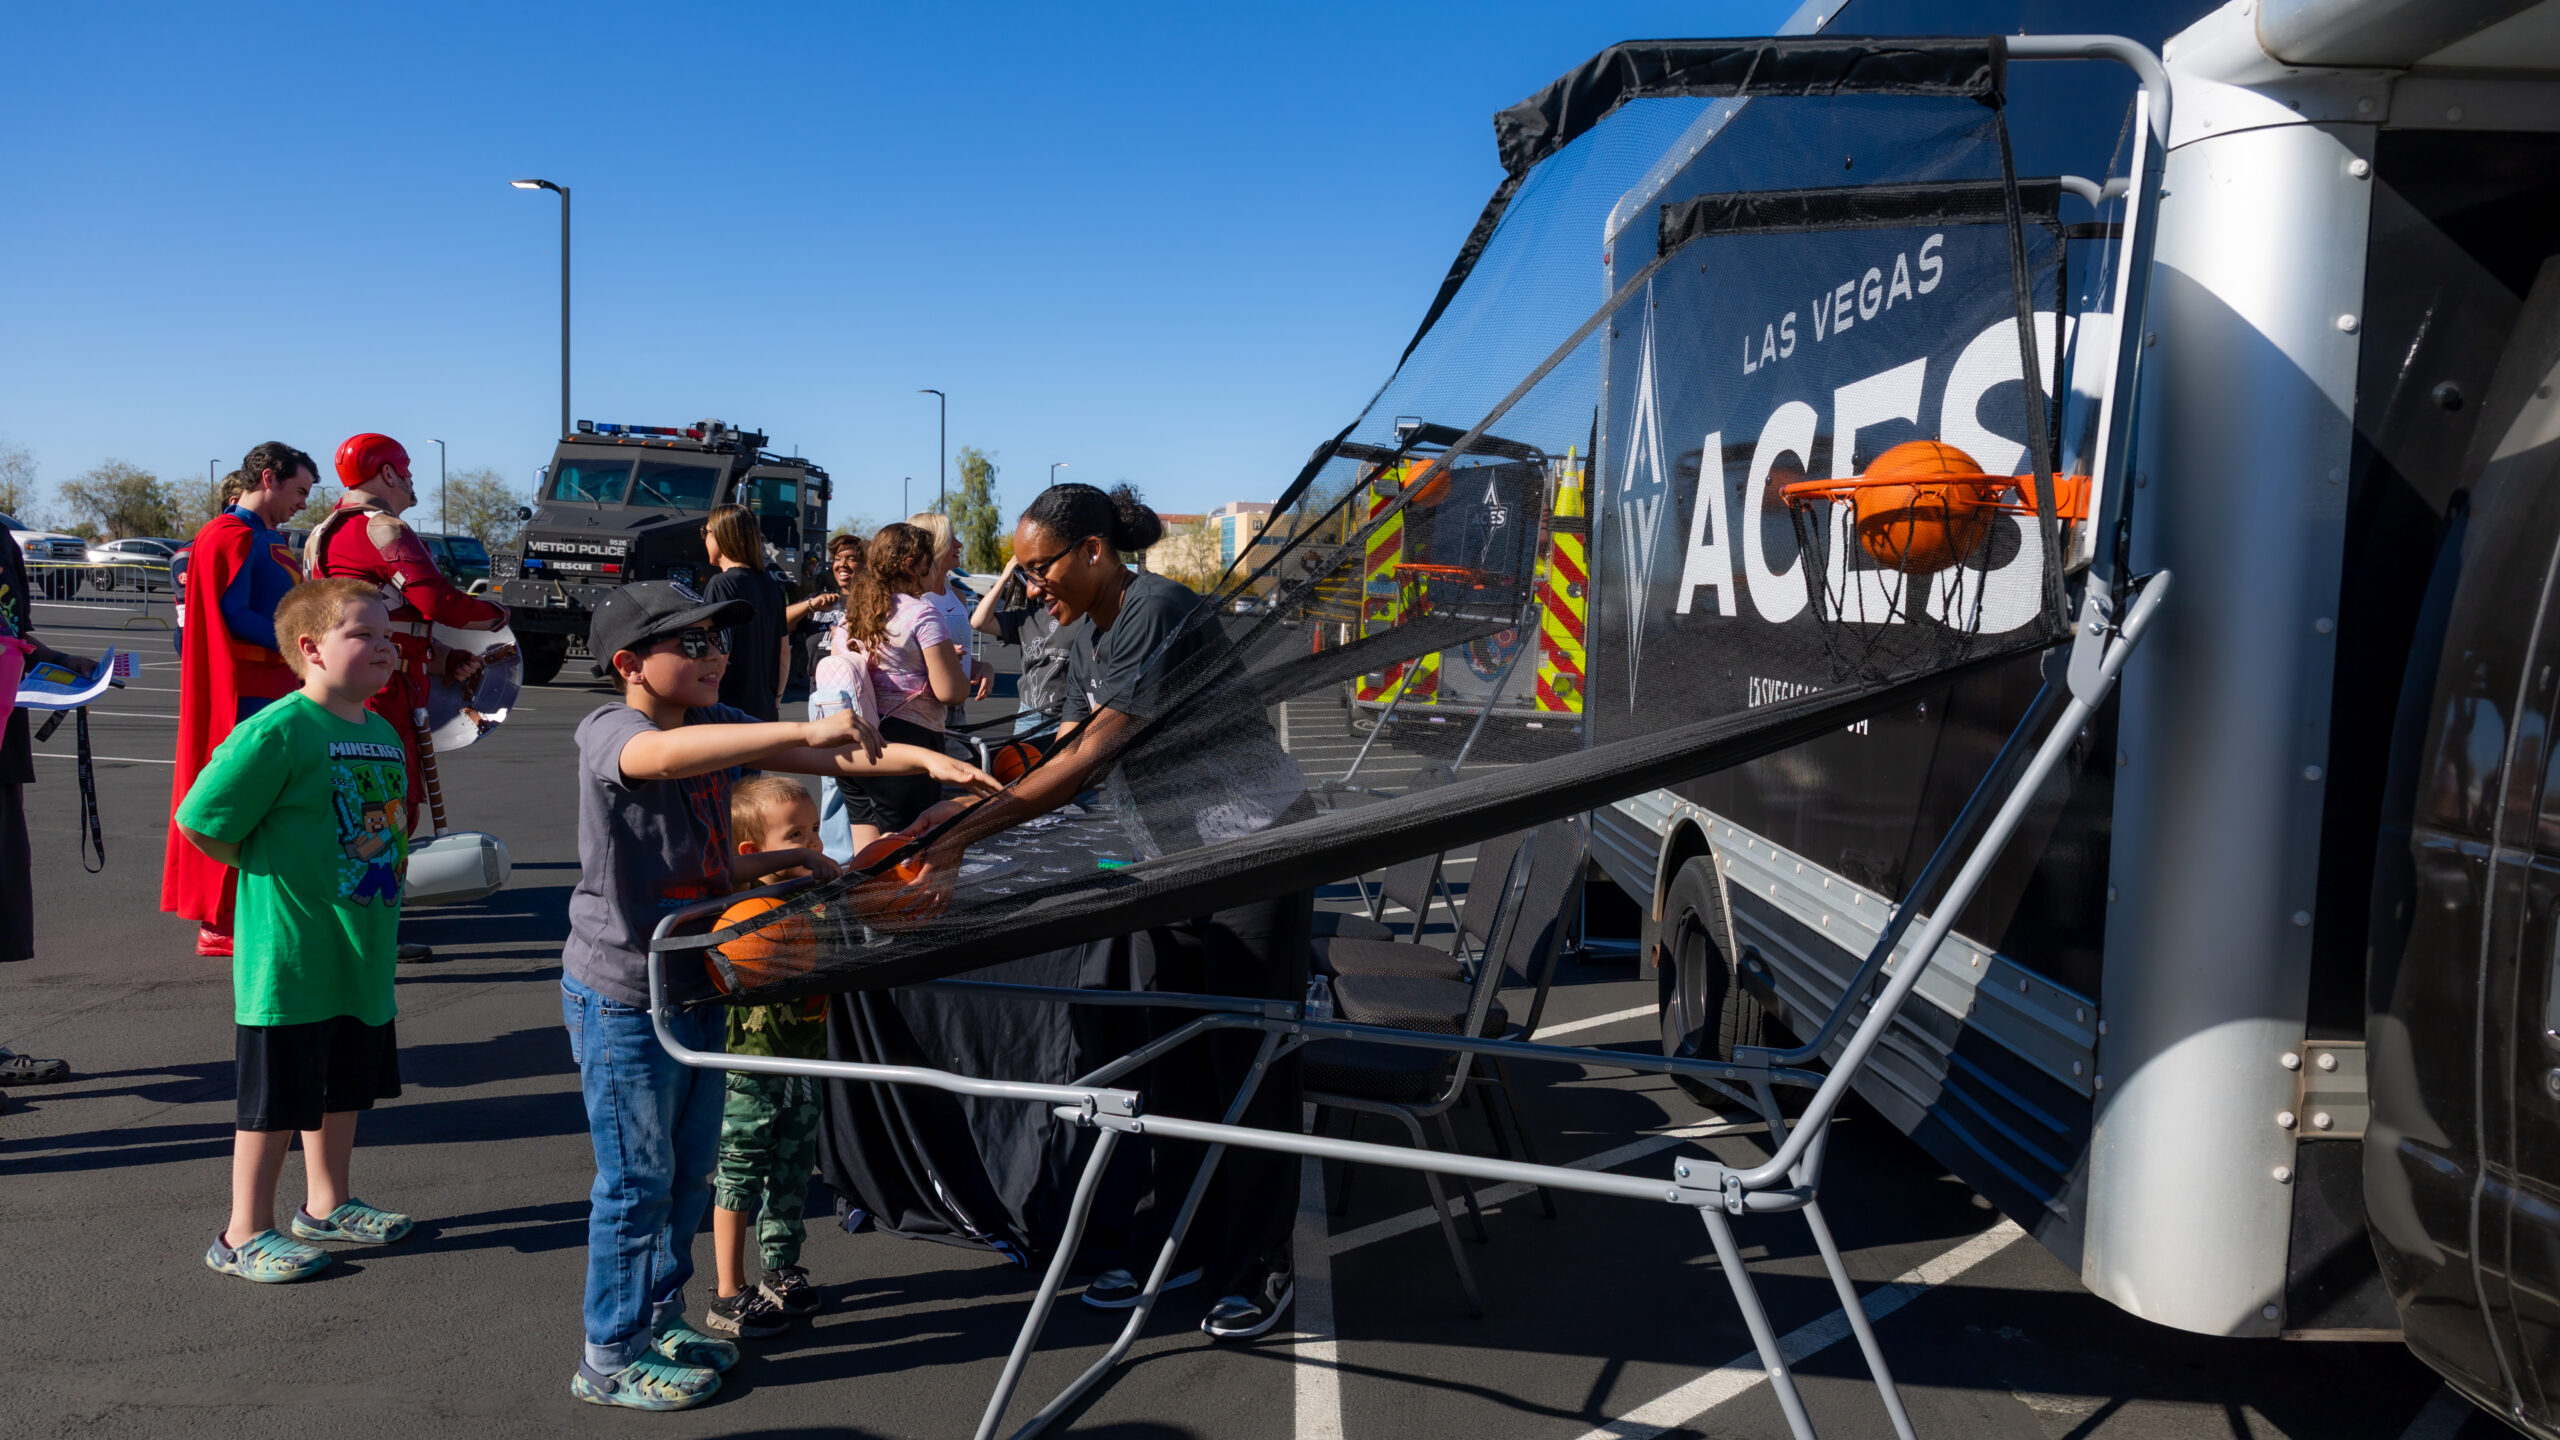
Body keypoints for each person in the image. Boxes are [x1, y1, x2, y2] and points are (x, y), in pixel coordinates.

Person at [885, 483, 1311, 1340]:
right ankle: (1178, 1243)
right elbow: (1053, 743)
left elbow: (1089, 757)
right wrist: (954, 803)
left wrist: (967, 834)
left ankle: (1260, 1267)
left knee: (1248, 1070)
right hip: (1173, 862)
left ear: (1092, 552)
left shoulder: (1156, 608)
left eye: (1040, 567)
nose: (1030, 583)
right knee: (1177, 1067)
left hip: (1252, 855)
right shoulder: (1090, 629)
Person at [562, 580, 994, 1411]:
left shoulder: (716, 726)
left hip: (696, 979)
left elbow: (833, 757)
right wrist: (798, 725)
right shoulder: (611, 728)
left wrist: (924, 760)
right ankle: (609, 1356)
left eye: (718, 641)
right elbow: (654, 760)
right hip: (622, 993)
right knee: (635, 1183)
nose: (713, 655)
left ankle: (659, 1318)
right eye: (689, 645)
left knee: (688, 1176)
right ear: (628, 665)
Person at [178, 578, 417, 1284]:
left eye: (387, 636)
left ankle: (326, 1203)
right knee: (276, 1101)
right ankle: (242, 1232)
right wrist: (274, 873)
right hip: (291, 957)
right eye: (362, 635)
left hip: (361, 950)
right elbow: (203, 819)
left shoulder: (377, 732)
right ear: (310, 649)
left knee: (341, 1089)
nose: (383, 647)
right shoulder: (279, 730)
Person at [307, 433, 510, 962]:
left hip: (361, 683)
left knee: (361, 807)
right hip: (385, 689)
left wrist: (440, 655)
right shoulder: (382, 527)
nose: (413, 478)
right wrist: (498, 616)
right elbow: (434, 599)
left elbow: (393, 617)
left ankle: (355, 927)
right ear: (389, 474)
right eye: (407, 468)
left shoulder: (325, 533)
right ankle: (367, 932)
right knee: (387, 809)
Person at [165, 443, 314, 958]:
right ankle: (221, 921)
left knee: (269, 807)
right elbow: (232, 614)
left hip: (272, 688)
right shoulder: (229, 535)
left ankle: (242, 914)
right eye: (299, 491)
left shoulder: (258, 536)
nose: (302, 503)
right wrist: (302, 645)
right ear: (269, 479)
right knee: (242, 802)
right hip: (245, 695)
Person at [705, 775, 831, 1339]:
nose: (813, 844)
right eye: (797, 835)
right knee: (739, 1175)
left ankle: (779, 1271)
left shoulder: (818, 899)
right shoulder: (741, 912)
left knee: (792, 1171)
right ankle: (728, 1291)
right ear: (753, 854)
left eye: (816, 830)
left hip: (804, 1065)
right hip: (749, 1070)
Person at [832, 523, 973, 857]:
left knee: (867, 854)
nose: (935, 570)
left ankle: (863, 907)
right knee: (906, 850)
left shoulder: (852, 615)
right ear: (913, 565)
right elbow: (950, 692)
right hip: (907, 744)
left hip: (854, 741)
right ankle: (899, 910)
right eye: (931, 563)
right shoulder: (922, 614)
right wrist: (960, 670)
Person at [971, 556, 1086, 737]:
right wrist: (1005, 577)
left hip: (1069, 717)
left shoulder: (1081, 614)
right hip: (1029, 715)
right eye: (1029, 579)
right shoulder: (1026, 616)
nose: (1034, 589)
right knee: (1024, 766)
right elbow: (979, 622)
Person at [699, 504, 790, 722]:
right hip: (764, 710)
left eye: (706, 532)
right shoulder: (772, 585)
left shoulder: (721, 585)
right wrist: (775, 699)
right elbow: (784, 651)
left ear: (723, 536)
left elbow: (719, 651)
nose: (704, 539)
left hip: (727, 708)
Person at [907, 512, 993, 711]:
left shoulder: (957, 596)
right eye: (950, 538)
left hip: (957, 710)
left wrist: (980, 667)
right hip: (920, 711)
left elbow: (959, 657)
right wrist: (937, 655)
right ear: (930, 545)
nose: (959, 544)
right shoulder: (910, 599)